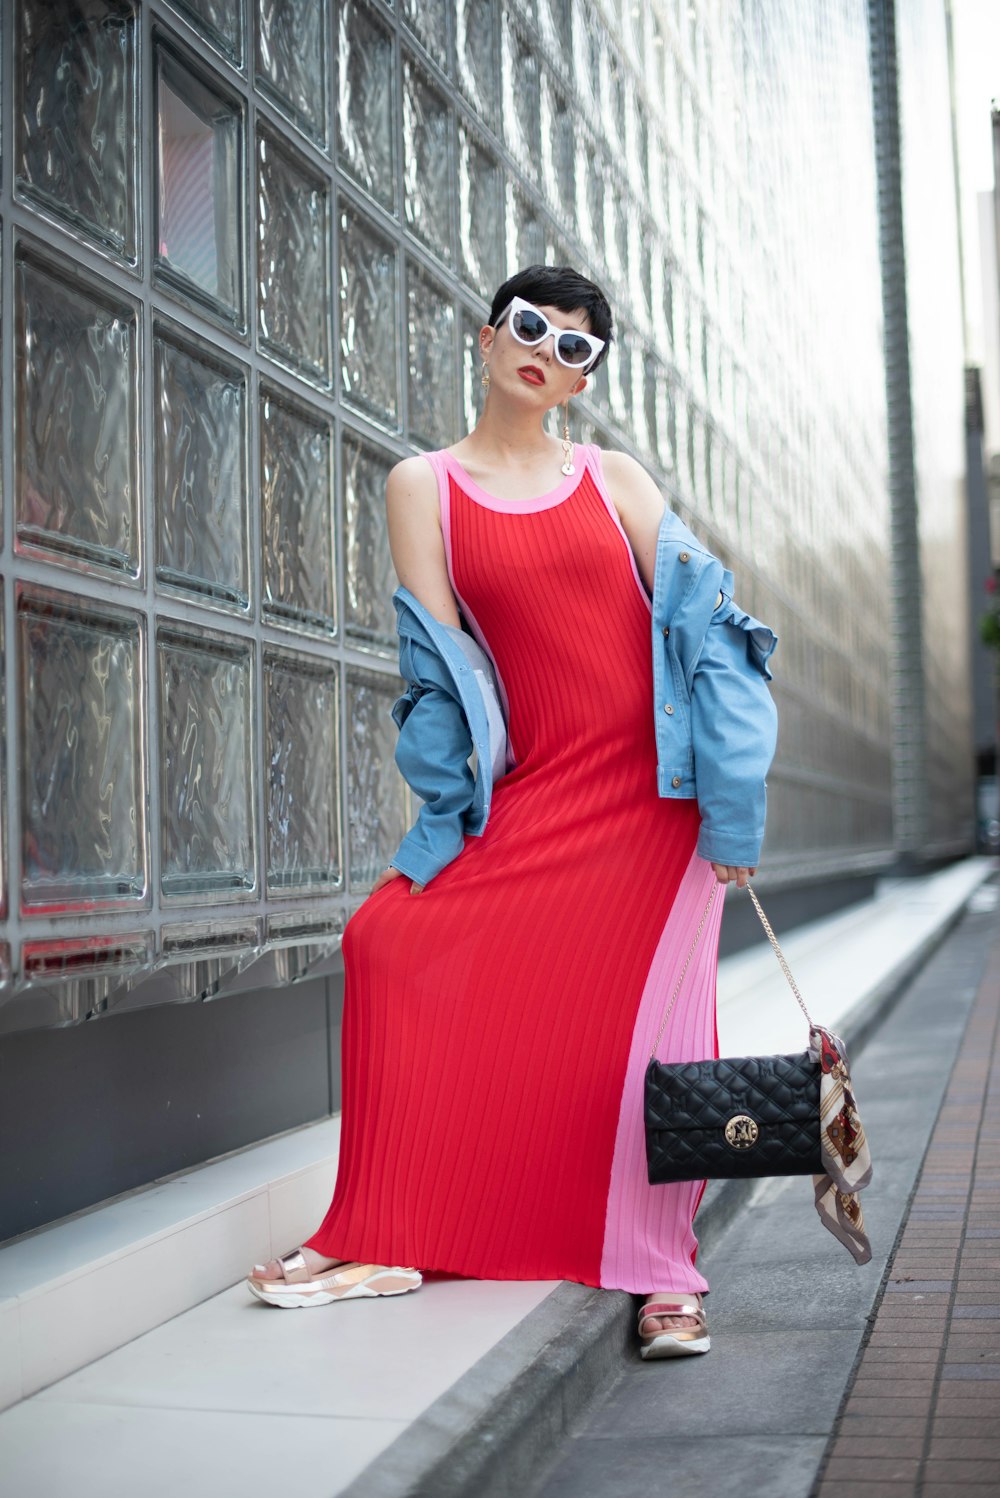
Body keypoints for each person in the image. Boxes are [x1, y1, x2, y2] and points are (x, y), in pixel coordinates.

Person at [247, 265, 778, 1359]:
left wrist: (731, 811)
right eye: (533, 328)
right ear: (487, 337)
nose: (548, 351)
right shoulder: (421, 487)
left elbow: (712, 645)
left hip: (658, 803)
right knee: (386, 939)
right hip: (539, 790)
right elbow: (434, 675)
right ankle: (386, 1230)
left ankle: (666, 1278)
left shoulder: (613, 480)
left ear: (581, 382)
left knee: (644, 1044)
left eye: (576, 347)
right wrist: (449, 824)